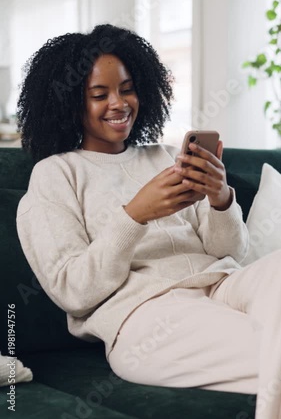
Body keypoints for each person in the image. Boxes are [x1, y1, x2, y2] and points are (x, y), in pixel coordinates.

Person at [16, 24, 281, 419]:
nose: (119, 103)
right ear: (71, 103)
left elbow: (228, 253)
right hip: (147, 316)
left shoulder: (165, 156)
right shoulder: (56, 175)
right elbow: (72, 290)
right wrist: (135, 215)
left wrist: (220, 199)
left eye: (127, 88)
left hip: (223, 284)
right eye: (99, 94)